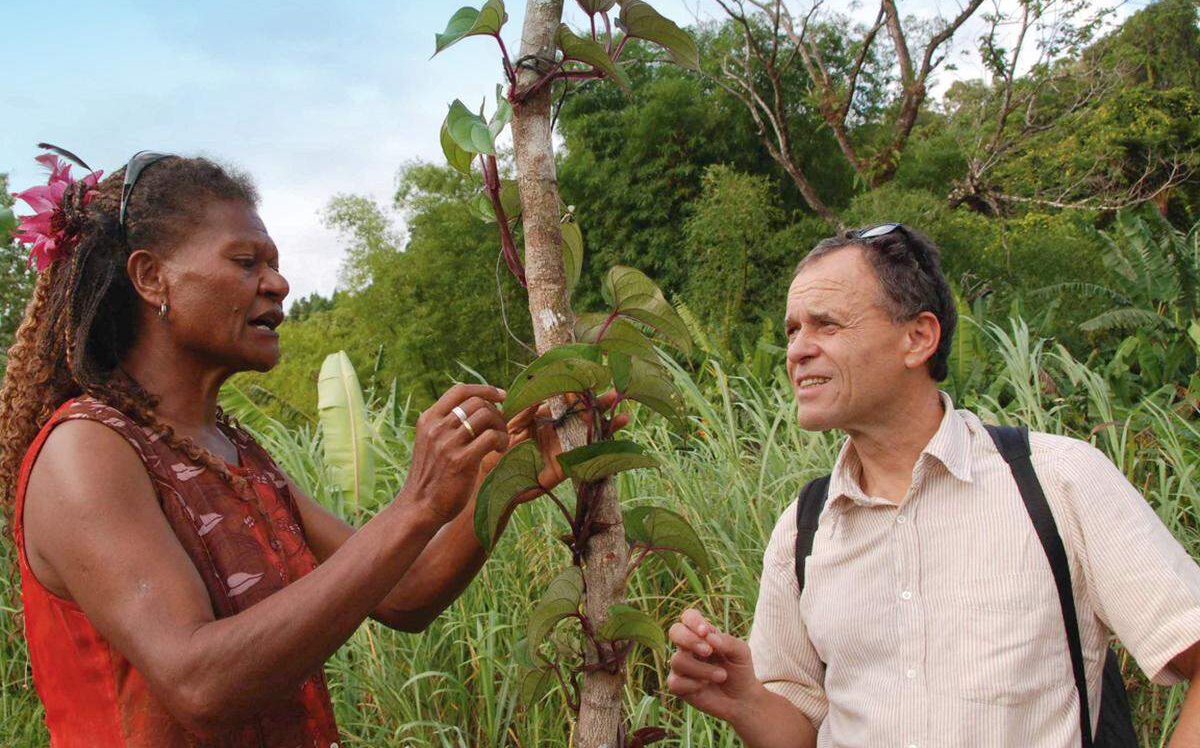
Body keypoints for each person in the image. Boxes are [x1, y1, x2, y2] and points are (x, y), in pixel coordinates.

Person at [0, 150, 617, 747]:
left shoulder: (233, 451)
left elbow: (404, 594)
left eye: (272, 263)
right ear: (150, 276)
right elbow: (198, 685)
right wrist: (415, 504)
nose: (279, 283)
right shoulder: (84, 450)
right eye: (246, 262)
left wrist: (503, 478)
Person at [665, 223, 1200, 747]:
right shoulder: (804, 528)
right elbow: (800, 729)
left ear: (918, 338)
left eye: (826, 325)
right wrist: (745, 701)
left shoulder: (1056, 481)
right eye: (792, 330)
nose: (798, 350)